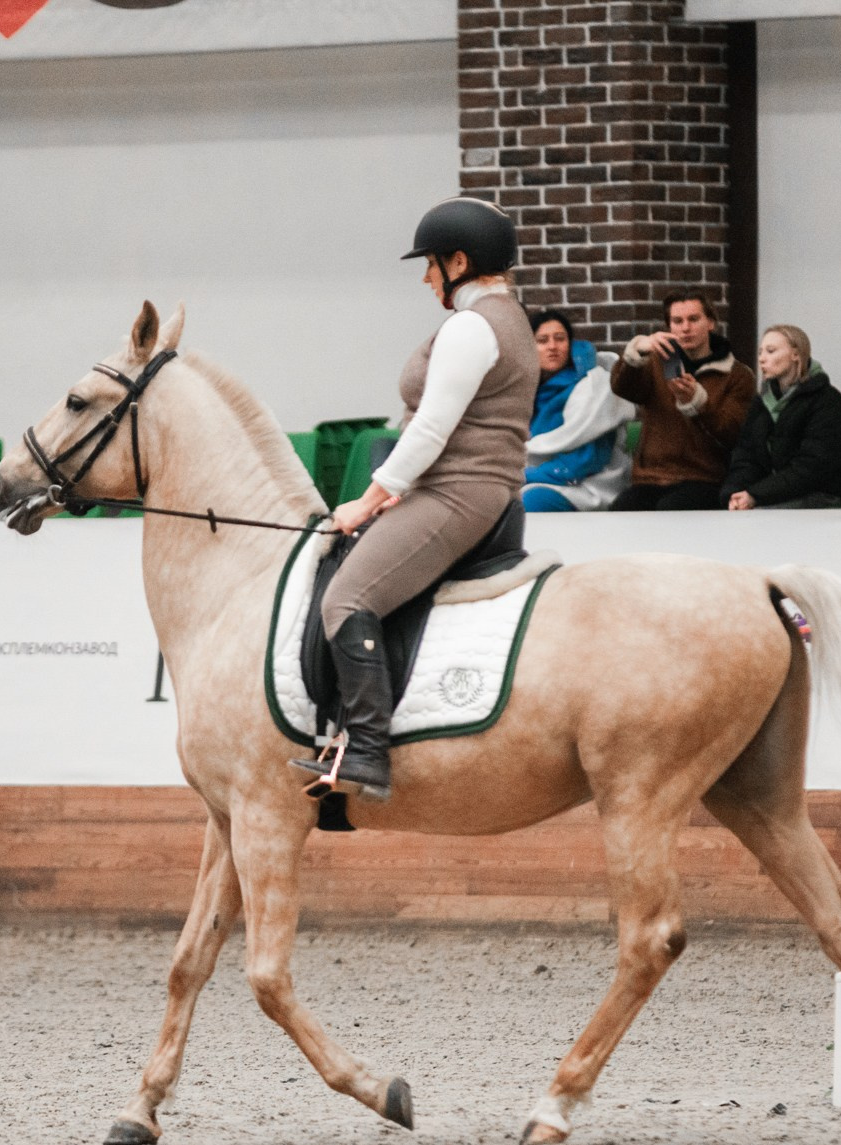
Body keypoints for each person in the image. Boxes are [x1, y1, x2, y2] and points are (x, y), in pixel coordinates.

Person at [290, 197, 538, 801]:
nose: (426, 278)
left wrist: (367, 502)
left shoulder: (474, 326)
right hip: (470, 490)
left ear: (459, 260)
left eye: (430, 264)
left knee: (347, 598)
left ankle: (369, 751)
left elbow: (431, 429)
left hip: (458, 494)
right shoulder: (506, 318)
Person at [608, 291, 753, 510]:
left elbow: (735, 433)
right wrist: (636, 353)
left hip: (705, 479)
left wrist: (698, 402)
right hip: (651, 478)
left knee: (672, 510)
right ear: (669, 327)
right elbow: (622, 388)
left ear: (711, 323)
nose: (685, 328)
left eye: (694, 319)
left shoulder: (737, 375)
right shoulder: (655, 363)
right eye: (677, 321)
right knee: (621, 512)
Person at [720, 324, 841, 511]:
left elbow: (812, 467)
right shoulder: (762, 401)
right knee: (735, 516)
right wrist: (735, 492)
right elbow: (746, 455)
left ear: (796, 354)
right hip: (780, 494)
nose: (762, 359)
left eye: (771, 351)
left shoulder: (827, 400)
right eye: (761, 352)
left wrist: (756, 495)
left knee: (758, 519)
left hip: (826, 495)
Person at [521, 309, 635, 513]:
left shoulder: (591, 388)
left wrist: (525, 477)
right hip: (546, 479)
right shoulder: (530, 391)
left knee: (530, 501)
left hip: (591, 485)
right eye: (542, 340)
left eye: (560, 338)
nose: (552, 347)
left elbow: (587, 460)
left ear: (570, 344)